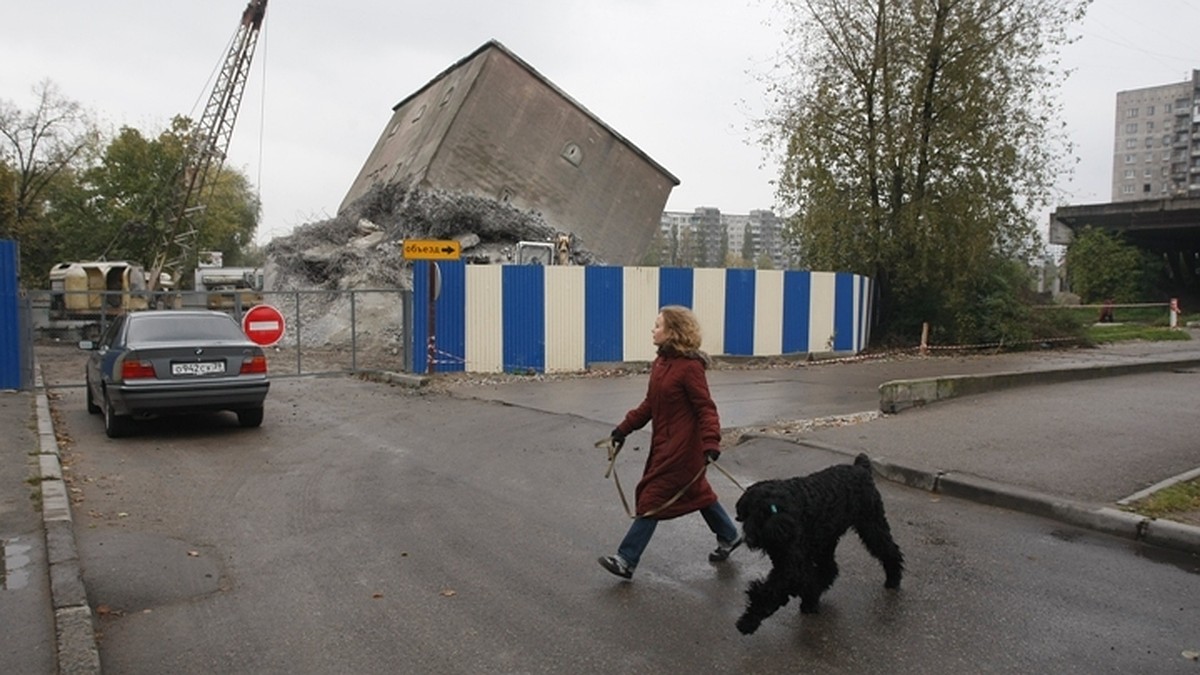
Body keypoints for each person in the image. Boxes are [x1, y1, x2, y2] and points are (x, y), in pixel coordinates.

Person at [598, 305, 742, 580]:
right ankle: (729, 535)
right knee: (697, 493)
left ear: (673, 331)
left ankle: (626, 560)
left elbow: (706, 409)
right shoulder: (661, 364)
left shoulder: (690, 368)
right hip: (664, 446)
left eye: (658, 325)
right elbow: (651, 404)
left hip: (684, 449)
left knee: (653, 498)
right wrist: (623, 429)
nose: (653, 330)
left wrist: (711, 442)